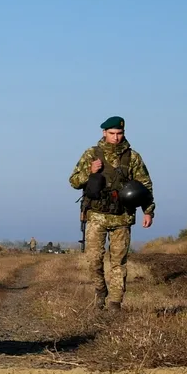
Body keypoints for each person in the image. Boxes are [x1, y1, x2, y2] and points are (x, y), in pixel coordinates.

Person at [68, 116, 154, 311]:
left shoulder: (132, 157)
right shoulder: (92, 154)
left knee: (118, 262)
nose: (116, 137)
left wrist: (148, 211)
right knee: (94, 259)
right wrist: (89, 172)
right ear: (104, 133)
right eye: (112, 133)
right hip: (96, 215)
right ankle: (100, 290)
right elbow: (73, 181)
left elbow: (145, 185)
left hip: (122, 216)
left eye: (119, 133)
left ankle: (115, 302)